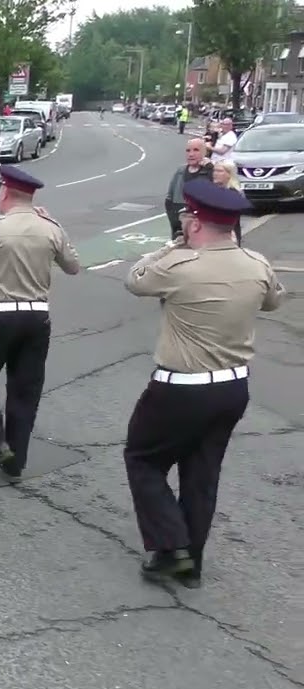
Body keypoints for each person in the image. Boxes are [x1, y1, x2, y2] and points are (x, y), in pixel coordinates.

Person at [122, 179, 285, 589]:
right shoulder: (257, 264)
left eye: (187, 219)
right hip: (233, 387)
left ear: (194, 223)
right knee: (202, 473)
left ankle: (171, 545)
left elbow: (135, 280)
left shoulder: (179, 266)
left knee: (143, 458)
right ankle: (191, 565)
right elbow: (273, 301)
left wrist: (171, 247)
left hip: (180, 388)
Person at [0, 166, 81, 479]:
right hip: (36, 315)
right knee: (24, 391)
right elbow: (73, 266)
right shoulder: (51, 229)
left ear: (5, 192)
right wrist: (54, 225)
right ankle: (15, 462)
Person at [164, 138, 214, 240]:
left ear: (204, 153)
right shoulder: (180, 171)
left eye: (196, 150)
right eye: (188, 151)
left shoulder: (211, 171)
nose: (191, 154)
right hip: (180, 225)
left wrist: (210, 168)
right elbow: (169, 198)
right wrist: (175, 222)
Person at [210, 158, 245, 245]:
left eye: (220, 171)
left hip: (228, 238)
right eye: (214, 170)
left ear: (229, 174)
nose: (215, 174)